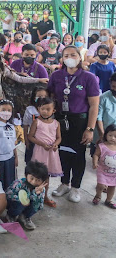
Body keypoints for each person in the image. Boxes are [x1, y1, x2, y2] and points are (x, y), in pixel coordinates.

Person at [49, 45, 100, 203]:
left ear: (80, 57)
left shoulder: (88, 77)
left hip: (80, 121)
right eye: (66, 55)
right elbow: (50, 96)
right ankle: (64, 183)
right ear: (62, 58)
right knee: (63, 152)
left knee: (78, 155)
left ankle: (76, 187)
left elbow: (94, 106)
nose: (70, 58)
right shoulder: (56, 75)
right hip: (60, 119)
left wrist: (90, 129)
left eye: (73, 55)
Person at [28, 96, 62, 208]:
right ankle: (31, 196)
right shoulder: (36, 122)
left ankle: (45, 197)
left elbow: (59, 138)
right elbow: (30, 136)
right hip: (39, 151)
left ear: (54, 110)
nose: (45, 111)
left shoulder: (56, 123)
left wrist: (56, 144)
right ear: (38, 109)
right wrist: (42, 144)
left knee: (46, 176)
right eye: (43, 109)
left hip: (51, 153)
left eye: (48, 109)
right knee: (35, 174)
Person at [6, 161, 49, 231]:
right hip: (15, 204)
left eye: (38, 180)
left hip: (27, 206)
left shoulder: (41, 189)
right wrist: (22, 200)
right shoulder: (19, 183)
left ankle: (25, 216)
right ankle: (11, 215)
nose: (34, 182)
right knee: (20, 204)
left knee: (37, 205)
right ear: (26, 175)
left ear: (43, 181)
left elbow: (39, 205)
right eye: (31, 178)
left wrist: (36, 194)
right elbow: (8, 195)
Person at [23, 87, 50, 163]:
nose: (42, 99)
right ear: (34, 98)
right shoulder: (30, 109)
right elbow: (25, 125)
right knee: (31, 161)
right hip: (33, 139)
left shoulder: (50, 109)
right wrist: (26, 139)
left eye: (44, 96)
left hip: (46, 139)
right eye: (39, 96)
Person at [92, 124, 116, 208]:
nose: (112, 138)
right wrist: (95, 163)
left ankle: (108, 200)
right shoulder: (102, 146)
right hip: (102, 171)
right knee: (101, 185)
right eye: (110, 135)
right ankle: (98, 196)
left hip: (114, 173)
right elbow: (96, 155)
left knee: (112, 186)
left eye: (115, 136)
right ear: (106, 135)